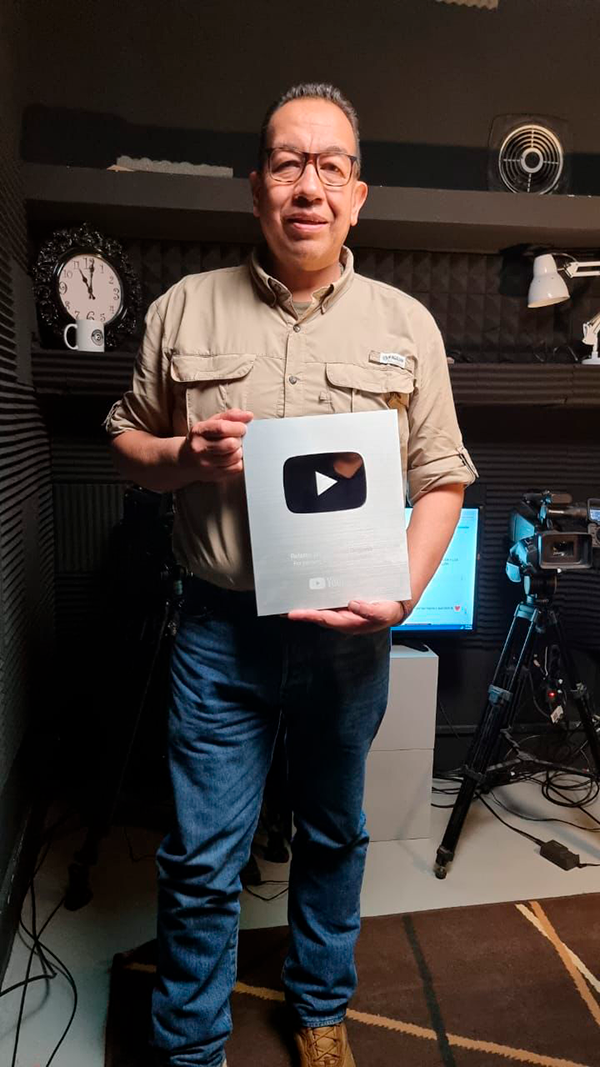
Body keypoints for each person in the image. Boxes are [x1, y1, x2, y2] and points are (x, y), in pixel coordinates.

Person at [105, 83, 477, 1067]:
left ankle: (319, 1007)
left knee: (334, 834)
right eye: (287, 163)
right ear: (257, 185)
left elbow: (443, 476)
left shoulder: (409, 323)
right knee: (200, 855)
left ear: (358, 195)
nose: (308, 185)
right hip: (217, 633)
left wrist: (402, 593)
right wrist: (183, 454)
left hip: (347, 643)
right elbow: (126, 440)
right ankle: (190, 1047)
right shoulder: (184, 309)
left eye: (330, 167)